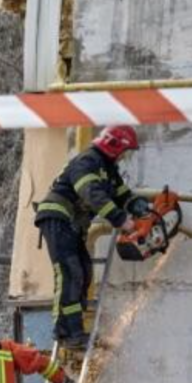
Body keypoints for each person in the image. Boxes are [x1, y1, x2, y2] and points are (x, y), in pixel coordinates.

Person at [34, 125, 140, 349]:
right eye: (124, 151)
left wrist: (140, 208)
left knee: (83, 273)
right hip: (58, 217)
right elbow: (91, 193)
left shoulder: (109, 170)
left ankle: (75, 330)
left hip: (72, 225)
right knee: (69, 272)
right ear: (113, 146)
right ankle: (65, 332)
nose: (124, 157)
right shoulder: (87, 161)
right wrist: (121, 219)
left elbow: (123, 196)